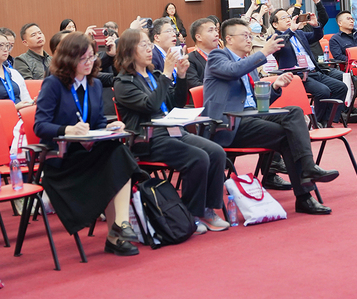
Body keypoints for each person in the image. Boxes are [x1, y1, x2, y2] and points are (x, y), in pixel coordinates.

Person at [202, 18, 339, 215]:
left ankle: (308, 168)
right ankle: (305, 195)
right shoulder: (218, 56)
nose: (249, 40)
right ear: (229, 39)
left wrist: (274, 87)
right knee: (288, 135)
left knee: (294, 112)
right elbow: (233, 71)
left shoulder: (249, 63)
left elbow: (258, 103)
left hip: (253, 116)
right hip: (230, 123)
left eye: (250, 35)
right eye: (245, 36)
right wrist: (264, 52)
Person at [34, 32, 143, 255]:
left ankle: (120, 225)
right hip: (64, 159)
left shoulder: (94, 84)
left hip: (89, 152)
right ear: (68, 59)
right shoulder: (53, 84)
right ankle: (116, 234)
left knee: (118, 152)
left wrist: (111, 127)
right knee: (117, 161)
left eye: (92, 57)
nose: (88, 62)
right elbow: (40, 126)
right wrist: (67, 130)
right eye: (82, 58)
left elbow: (98, 122)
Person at [113, 29, 229, 233]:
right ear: (129, 50)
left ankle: (207, 209)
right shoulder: (124, 83)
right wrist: (167, 74)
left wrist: (181, 76)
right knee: (198, 157)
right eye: (143, 45)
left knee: (216, 152)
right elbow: (150, 105)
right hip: (147, 139)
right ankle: (191, 214)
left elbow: (176, 102)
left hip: (172, 130)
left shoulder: (154, 75)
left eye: (149, 44)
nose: (149, 49)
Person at [269, 8, 347, 125]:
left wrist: (315, 26)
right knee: (323, 91)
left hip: (313, 71)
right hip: (297, 76)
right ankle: (316, 123)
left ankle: (327, 120)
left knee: (341, 87)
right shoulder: (274, 39)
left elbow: (316, 36)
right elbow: (281, 43)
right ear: (275, 24)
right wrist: (291, 30)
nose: (288, 20)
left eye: (288, 17)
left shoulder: (299, 33)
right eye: (283, 18)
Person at [186, 17, 219, 88]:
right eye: (210, 31)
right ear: (198, 37)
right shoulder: (190, 60)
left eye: (216, 30)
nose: (216, 34)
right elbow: (195, 85)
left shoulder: (222, 56)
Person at [150, 18, 180, 82]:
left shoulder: (168, 54)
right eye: (169, 31)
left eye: (174, 31)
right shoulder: (152, 55)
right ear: (157, 37)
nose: (174, 35)